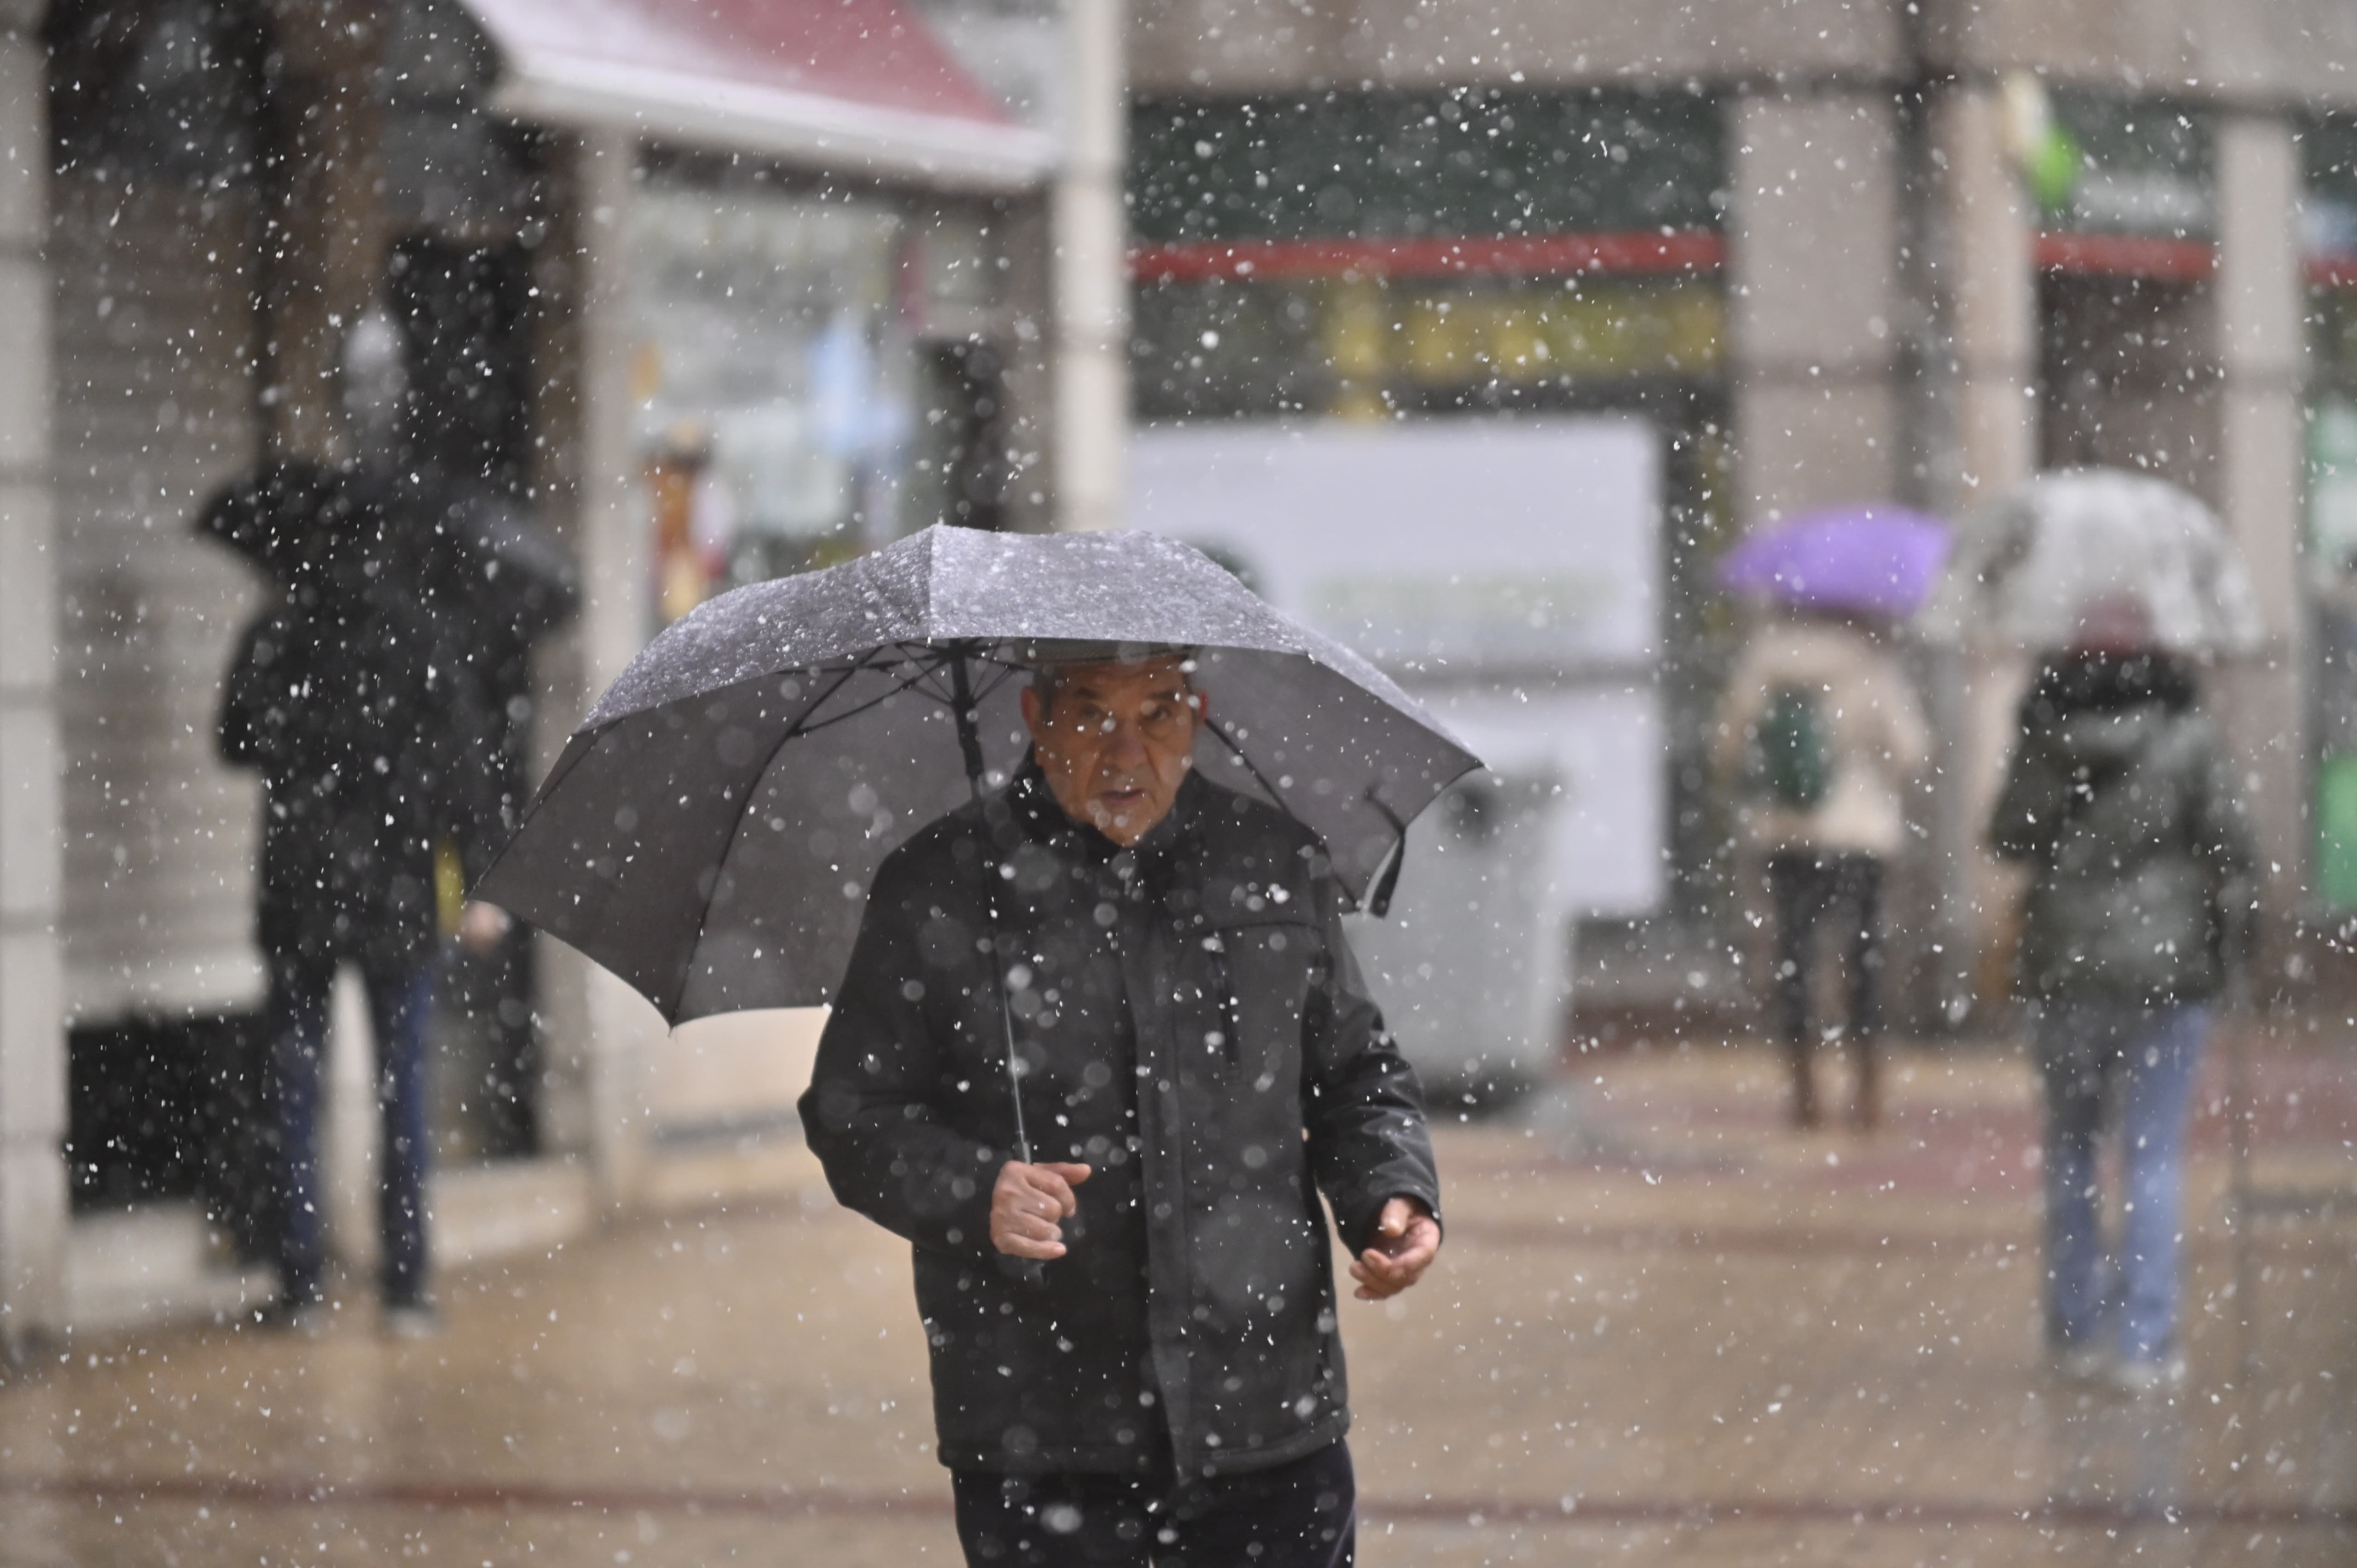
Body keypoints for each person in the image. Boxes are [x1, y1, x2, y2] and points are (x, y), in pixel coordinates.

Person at [799, 649, 1442, 1567]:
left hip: (1265, 1417)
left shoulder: (1271, 862)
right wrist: (973, 1188)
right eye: (1092, 714)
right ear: (1033, 713)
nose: (1126, 752)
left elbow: (1354, 1075)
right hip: (1043, 1433)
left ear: (1199, 714)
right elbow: (852, 1109)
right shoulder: (939, 882)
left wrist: (1393, 1189)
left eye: (1160, 714)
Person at [1990, 598, 2252, 1394]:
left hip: (2066, 966)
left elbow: (2009, 835)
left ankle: (2075, 1328)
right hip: (2168, 968)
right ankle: (2144, 1342)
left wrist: (2046, 759)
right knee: (2152, 1154)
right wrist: (2235, 936)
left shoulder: (2046, 731)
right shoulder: (2188, 734)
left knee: (2072, 1149)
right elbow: (2232, 844)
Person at [1715, 607, 1930, 1129]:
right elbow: (1910, 751)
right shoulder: (1870, 664)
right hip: (1861, 834)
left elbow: (1726, 748)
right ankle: (1866, 1090)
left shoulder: (1762, 663)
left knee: (1795, 959)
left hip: (1786, 833)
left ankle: (1803, 1090)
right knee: (1863, 961)